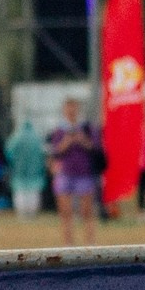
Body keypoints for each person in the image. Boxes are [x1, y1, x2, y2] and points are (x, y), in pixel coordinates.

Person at [47, 97, 101, 246]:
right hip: (65, 174)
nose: (71, 111)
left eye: (74, 108)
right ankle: (68, 244)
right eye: (68, 108)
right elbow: (55, 152)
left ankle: (90, 243)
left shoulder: (87, 128)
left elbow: (96, 149)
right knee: (65, 213)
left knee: (87, 212)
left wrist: (82, 140)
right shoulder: (59, 130)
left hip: (84, 174)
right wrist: (67, 142)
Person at [7, 115, 48, 218]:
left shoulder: (16, 137)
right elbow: (43, 152)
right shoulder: (37, 138)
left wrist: (13, 163)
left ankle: (22, 214)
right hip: (35, 170)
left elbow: (8, 152)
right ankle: (31, 213)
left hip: (19, 170)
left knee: (20, 192)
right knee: (33, 192)